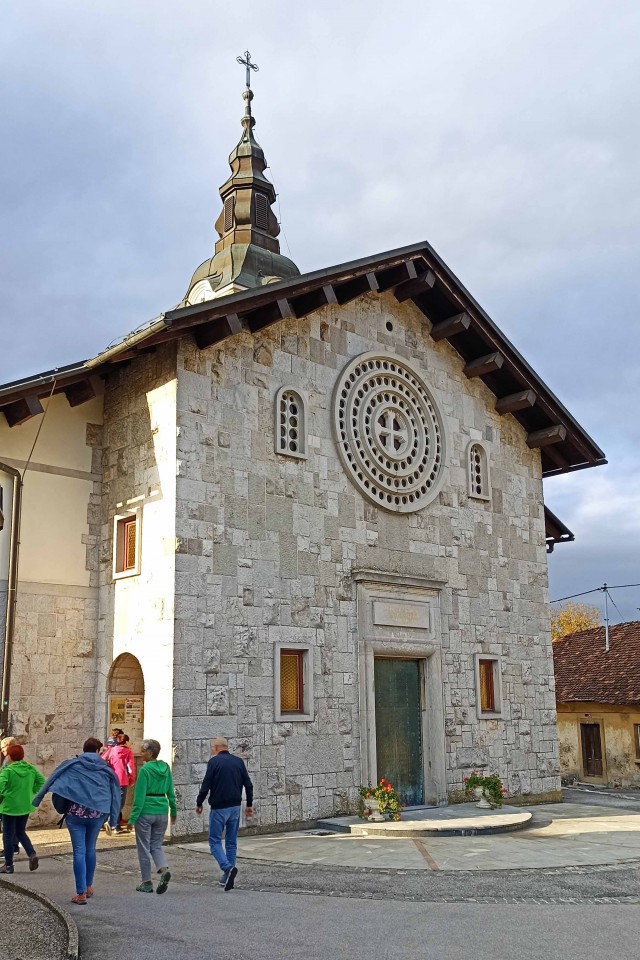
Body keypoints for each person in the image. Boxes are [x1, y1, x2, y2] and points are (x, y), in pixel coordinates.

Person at [33, 737, 120, 905]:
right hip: (97, 814)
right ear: (97, 751)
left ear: (84, 749)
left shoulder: (72, 765)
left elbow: (55, 782)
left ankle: (80, 893)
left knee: (79, 851)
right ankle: (88, 886)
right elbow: (115, 793)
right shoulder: (105, 769)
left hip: (75, 814)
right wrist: (113, 819)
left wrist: (52, 804)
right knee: (90, 849)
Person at [196, 737, 253, 891]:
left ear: (216, 748)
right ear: (227, 747)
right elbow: (248, 784)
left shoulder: (214, 762)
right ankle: (227, 878)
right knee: (231, 842)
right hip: (235, 806)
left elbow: (206, 784)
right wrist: (249, 804)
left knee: (214, 841)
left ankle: (227, 868)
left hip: (219, 807)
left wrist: (199, 802)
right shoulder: (238, 762)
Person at [128, 738, 176, 894]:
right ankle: (163, 869)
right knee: (156, 845)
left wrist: (132, 818)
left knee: (143, 848)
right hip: (162, 810)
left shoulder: (145, 770)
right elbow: (171, 791)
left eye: (143, 751)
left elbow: (139, 796)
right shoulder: (166, 768)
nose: (140, 754)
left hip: (146, 810)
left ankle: (146, 882)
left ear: (150, 753)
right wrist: (173, 810)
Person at [0, 744, 44, 874]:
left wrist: (3, 795)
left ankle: (8, 865)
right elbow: (42, 781)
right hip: (25, 806)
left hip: (9, 807)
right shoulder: (30, 768)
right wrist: (31, 792)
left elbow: (0, 785)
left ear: (9, 756)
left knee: (7, 836)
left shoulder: (8, 770)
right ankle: (31, 853)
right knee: (20, 832)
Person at [102, 732, 136, 834]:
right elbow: (130, 768)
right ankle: (111, 822)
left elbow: (103, 759)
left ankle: (115, 826)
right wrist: (132, 779)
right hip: (122, 780)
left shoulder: (112, 750)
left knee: (113, 801)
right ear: (126, 742)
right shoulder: (128, 752)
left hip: (111, 779)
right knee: (120, 804)